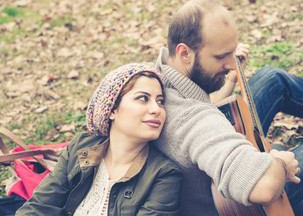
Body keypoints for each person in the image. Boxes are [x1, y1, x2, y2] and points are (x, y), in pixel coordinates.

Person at [153, 0, 303, 216]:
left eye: (232, 52)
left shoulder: (161, 77)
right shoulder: (193, 121)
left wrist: (230, 81)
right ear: (184, 52)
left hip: (210, 170)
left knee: (271, 80)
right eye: (221, 56)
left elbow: (203, 107)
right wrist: (280, 164)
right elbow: (262, 185)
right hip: (236, 204)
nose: (232, 63)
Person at [16, 63, 183, 216]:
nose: (156, 109)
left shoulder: (164, 175)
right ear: (112, 110)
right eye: (142, 98)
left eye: (160, 101)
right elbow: (40, 206)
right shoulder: (80, 147)